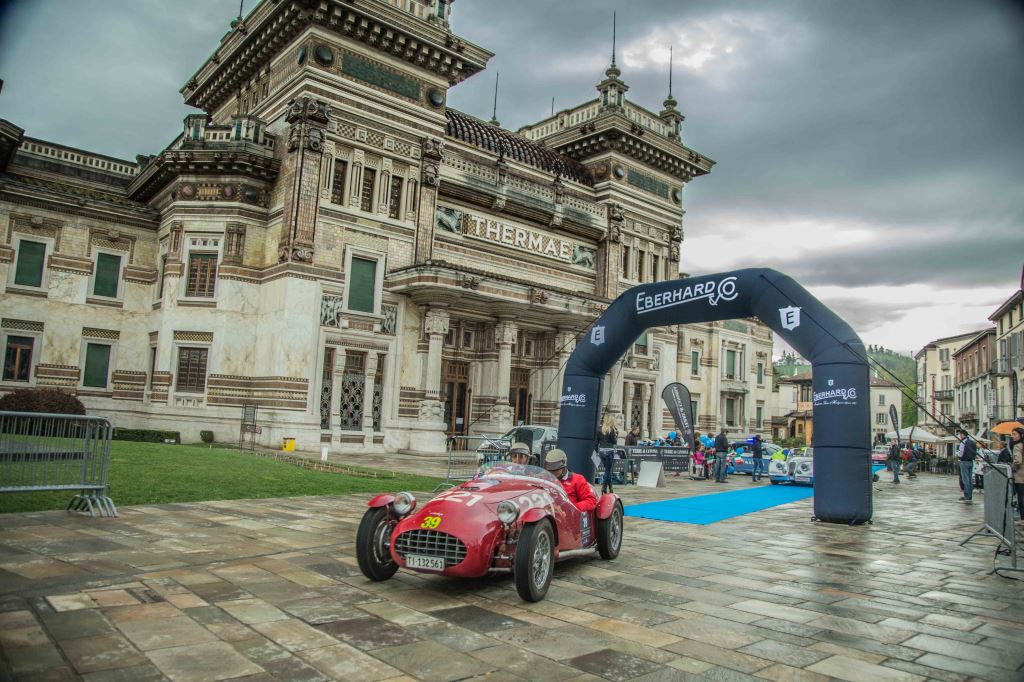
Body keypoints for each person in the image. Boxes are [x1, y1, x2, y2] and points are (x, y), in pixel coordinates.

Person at [597, 414, 618, 494]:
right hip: (609, 451)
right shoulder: (612, 430)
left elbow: (597, 442)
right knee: (608, 470)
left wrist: (596, 451)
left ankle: (610, 487)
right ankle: (604, 487)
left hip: (602, 451)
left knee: (607, 470)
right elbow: (614, 442)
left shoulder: (599, 429)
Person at [957, 430, 977, 503]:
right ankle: (970, 495)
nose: (960, 436)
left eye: (960, 435)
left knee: (965, 479)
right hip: (971, 462)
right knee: (970, 479)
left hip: (964, 461)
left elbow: (961, 453)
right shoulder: (972, 442)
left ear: (962, 435)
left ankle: (967, 495)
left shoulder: (963, 442)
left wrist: (957, 454)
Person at [1010, 427, 1024, 521]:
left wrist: (1013, 467)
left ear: (1020, 435)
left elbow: (1018, 461)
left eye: (1015, 434)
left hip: (1019, 476)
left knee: (1021, 498)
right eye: (1012, 434)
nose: (1013, 436)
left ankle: (1023, 519)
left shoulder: (1017, 446)